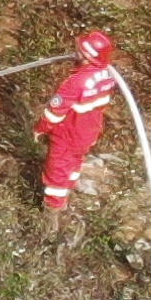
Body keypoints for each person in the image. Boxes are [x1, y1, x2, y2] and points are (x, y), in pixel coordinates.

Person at [36, 31, 119, 209]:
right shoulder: (107, 75)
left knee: (57, 169)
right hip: (89, 132)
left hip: (68, 133)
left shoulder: (76, 82)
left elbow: (54, 112)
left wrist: (40, 128)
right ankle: (69, 189)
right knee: (74, 162)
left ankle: (53, 210)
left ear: (87, 54)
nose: (75, 50)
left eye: (80, 49)